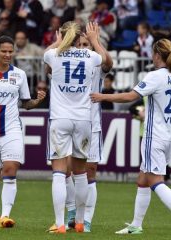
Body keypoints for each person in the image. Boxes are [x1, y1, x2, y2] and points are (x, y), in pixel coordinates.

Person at [91, 38, 171, 236]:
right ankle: (136, 225)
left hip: (153, 136)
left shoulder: (155, 76)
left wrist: (103, 96)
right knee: (143, 180)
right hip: (168, 136)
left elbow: (131, 96)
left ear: (157, 55)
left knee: (156, 180)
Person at [0, 35, 45, 228]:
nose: (7, 54)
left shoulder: (19, 75)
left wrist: (37, 101)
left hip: (12, 129)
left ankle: (5, 216)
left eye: (10, 51)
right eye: (3, 51)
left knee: (10, 169)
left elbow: (26, 103)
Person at [44, 21, 106, 234]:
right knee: (81, 174)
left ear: (62, 36)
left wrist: (57, 42)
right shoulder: (90, 56)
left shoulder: (54, 55)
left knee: (59, 173)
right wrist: (95, 41)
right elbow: (104, 59)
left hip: (60, 118)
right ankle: (80, 222)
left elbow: (47, 55)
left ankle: (60, 223)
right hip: (84, 119)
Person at [66, 32, 113, 233]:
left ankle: (86, 220)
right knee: (66, 170)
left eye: (87, 44)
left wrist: (96, 41)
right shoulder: (67, 62)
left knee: (90, 171)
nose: (84, 47)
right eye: (80, 44)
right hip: (69, 122)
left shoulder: (96, 63)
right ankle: (71, 211)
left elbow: (109, 64)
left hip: (92, 125)